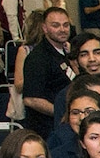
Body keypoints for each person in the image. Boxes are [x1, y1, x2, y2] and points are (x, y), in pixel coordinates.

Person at [20, 8, 78, 137]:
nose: (62, 29)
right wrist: (63, 114)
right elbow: (31, 99)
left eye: (66, 25)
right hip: (47, 131)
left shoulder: (65, 52)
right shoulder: (38, 58)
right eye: (55, 25)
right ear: (44, 28)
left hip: (65, 127)